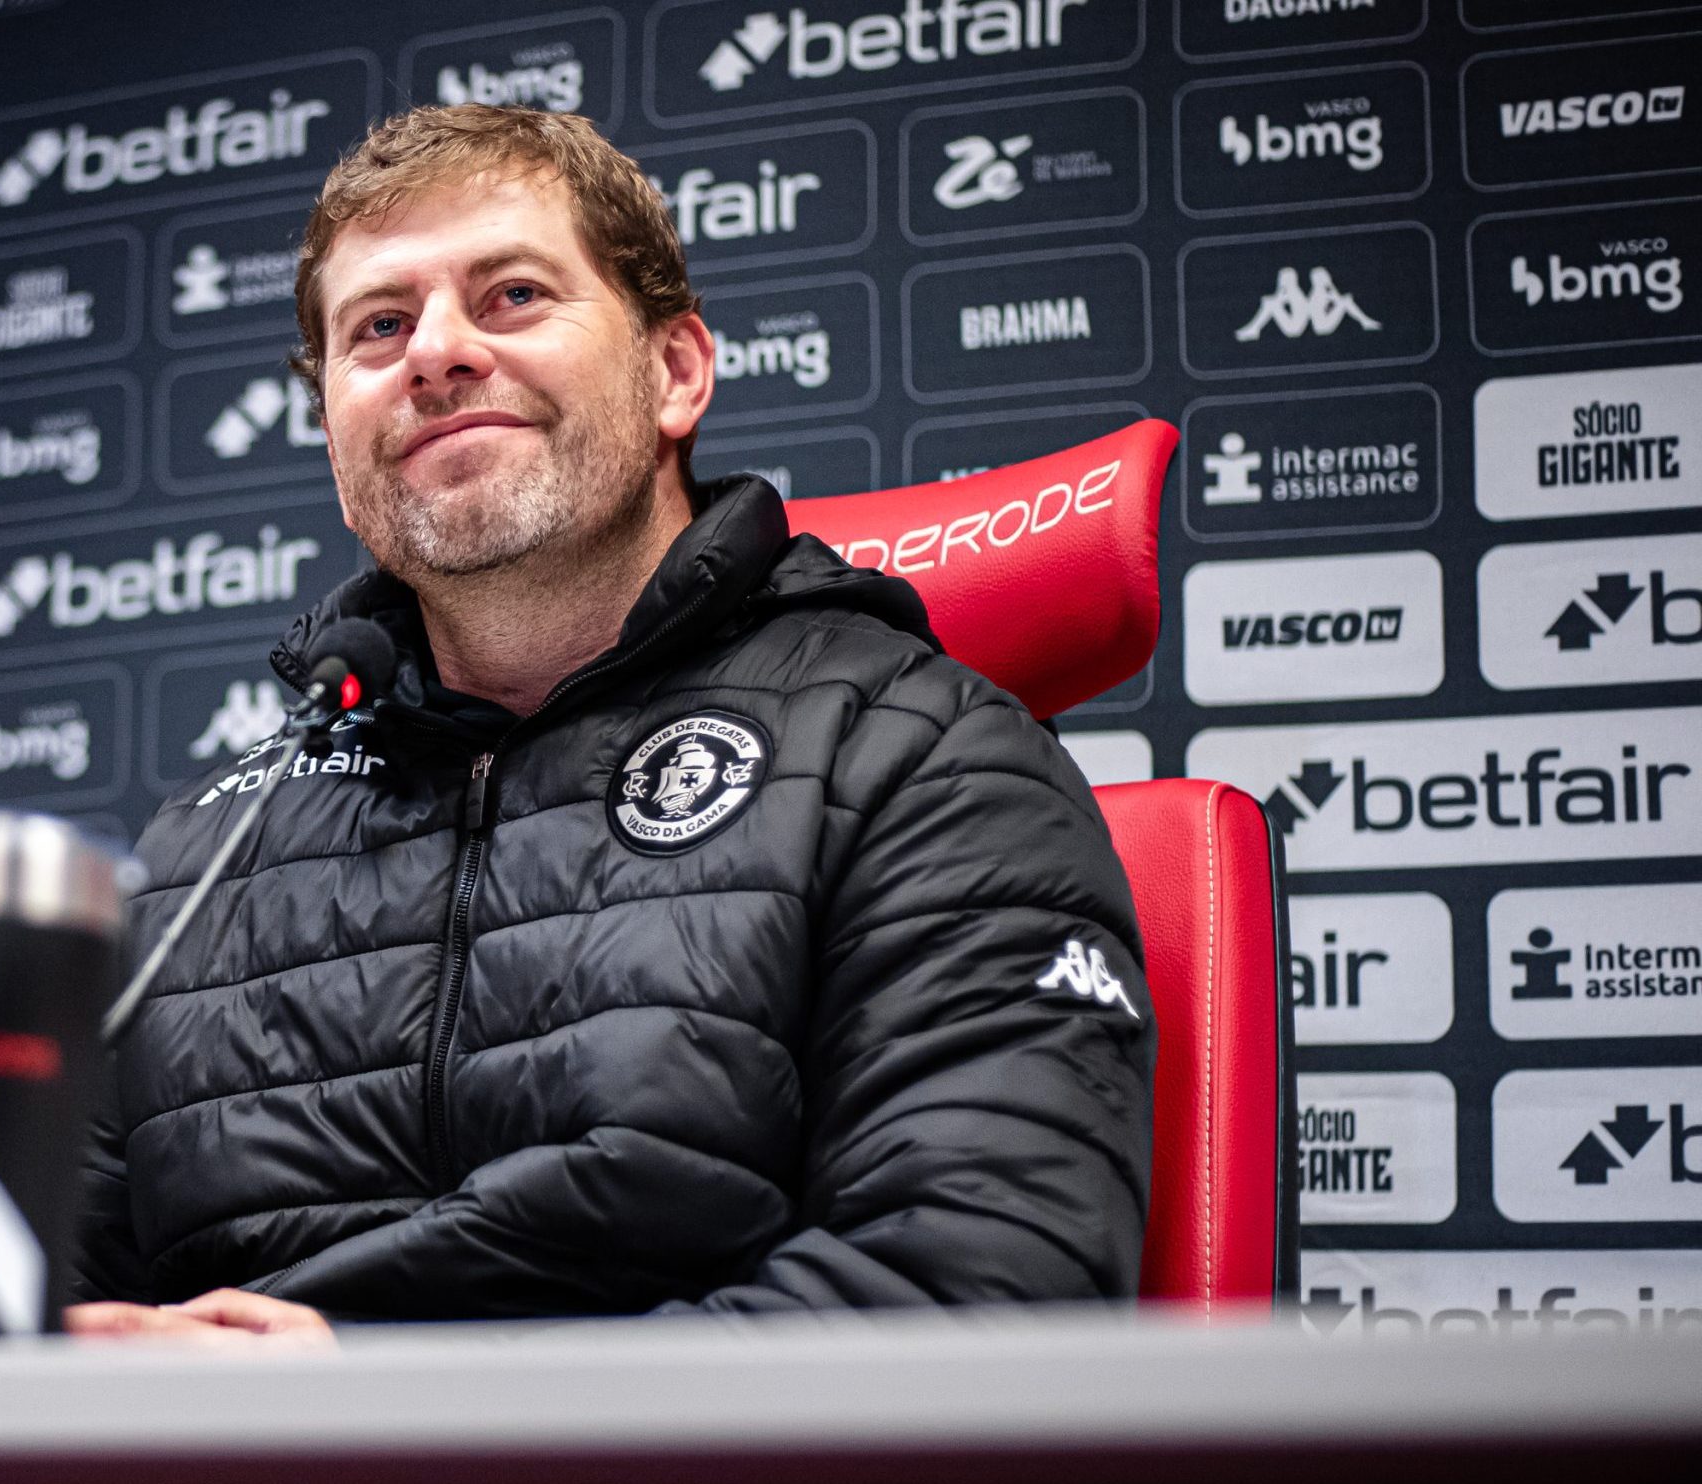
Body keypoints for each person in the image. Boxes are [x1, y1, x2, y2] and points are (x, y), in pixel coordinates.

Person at [67, 105, 1153, 1345]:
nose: (436, 353)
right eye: (378, 326)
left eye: (512, 295)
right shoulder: (196, 860)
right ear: (333, 434)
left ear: (673, 372)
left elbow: (982, 1292)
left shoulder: (917, 755)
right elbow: (8, 1320)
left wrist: (383, 1409)